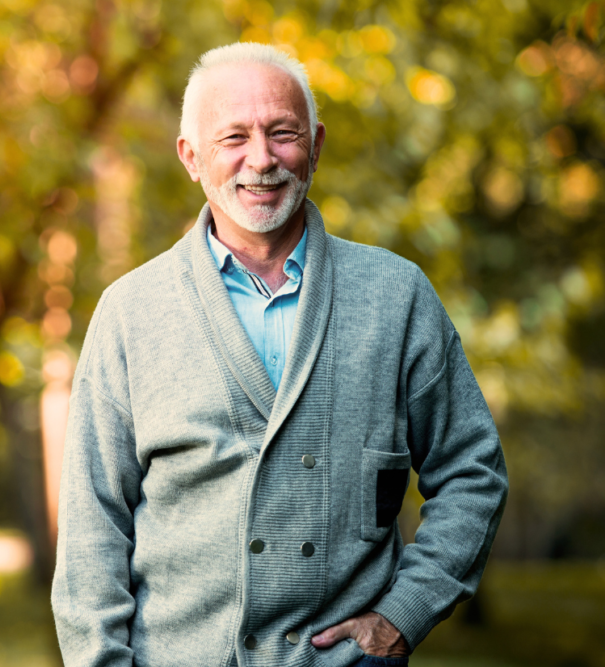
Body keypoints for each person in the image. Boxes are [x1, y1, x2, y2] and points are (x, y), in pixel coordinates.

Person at [51, 42, 508, 667]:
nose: (261, 160)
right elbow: (91, 528)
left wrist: (405, 613)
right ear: (190, 157)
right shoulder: (131, 313)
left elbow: (472, 472)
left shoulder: (395, 297)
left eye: (283, 133)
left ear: (316, 145)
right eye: (232, 138)